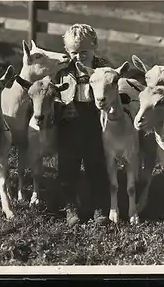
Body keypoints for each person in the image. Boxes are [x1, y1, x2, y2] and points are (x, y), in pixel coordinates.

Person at [54, 24, 112, 226]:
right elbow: (53, 95)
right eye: (74, 53)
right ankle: (70, 208)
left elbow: (112, 87)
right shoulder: (62, 71)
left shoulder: (103, 66)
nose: (79, 57)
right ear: (67, 52)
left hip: (95, 120)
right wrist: (61, 109)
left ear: (94, 45)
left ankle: (100, 208)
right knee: (68, 166)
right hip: (69, 122)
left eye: (84, 52)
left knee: (96, 164)